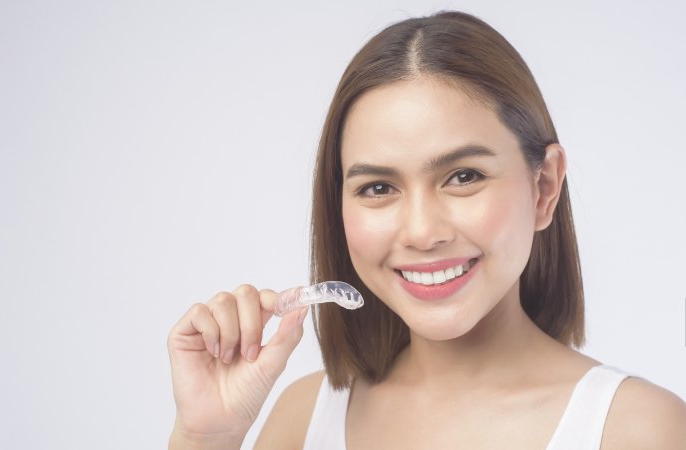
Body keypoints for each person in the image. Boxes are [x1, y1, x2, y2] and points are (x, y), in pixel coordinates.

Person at [167, 10, 686, 449]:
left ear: (543, 187)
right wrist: (203, 437)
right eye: (377, 188)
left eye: (464, 177)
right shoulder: (301, 418)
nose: (420, 231)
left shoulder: (638, 430)